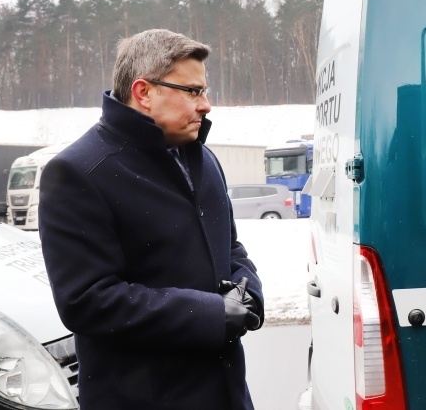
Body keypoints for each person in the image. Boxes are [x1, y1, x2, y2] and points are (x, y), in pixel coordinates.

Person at [39, 29, 264, 410]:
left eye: (205, 91)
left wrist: (249, 293)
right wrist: (212, 314)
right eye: (192, 91)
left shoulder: (203, 159)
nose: (206, 105)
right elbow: (87, 300)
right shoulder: (80, 171)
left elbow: (230, 247)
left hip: (226, 393)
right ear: (143, 92)